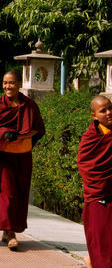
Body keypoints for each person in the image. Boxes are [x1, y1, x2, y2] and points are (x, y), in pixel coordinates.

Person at [0, 69, 45, 251]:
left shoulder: (29, 104)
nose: (7, 86)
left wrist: (20, 136)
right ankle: (11, 233)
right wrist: (4, 133)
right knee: (7, 194)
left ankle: (8, 229)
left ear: (19, 83)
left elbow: (38, 128)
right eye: (5, 83)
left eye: (11, 82)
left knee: (20, 194)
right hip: (3, 156)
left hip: (23, 154)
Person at [78, 95, 112, 268]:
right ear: (94, 116)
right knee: (101, 247)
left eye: (110, 108)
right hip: (98, 198)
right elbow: (85, 165)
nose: (109, 113)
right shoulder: (90, 138)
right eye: (103, 111)